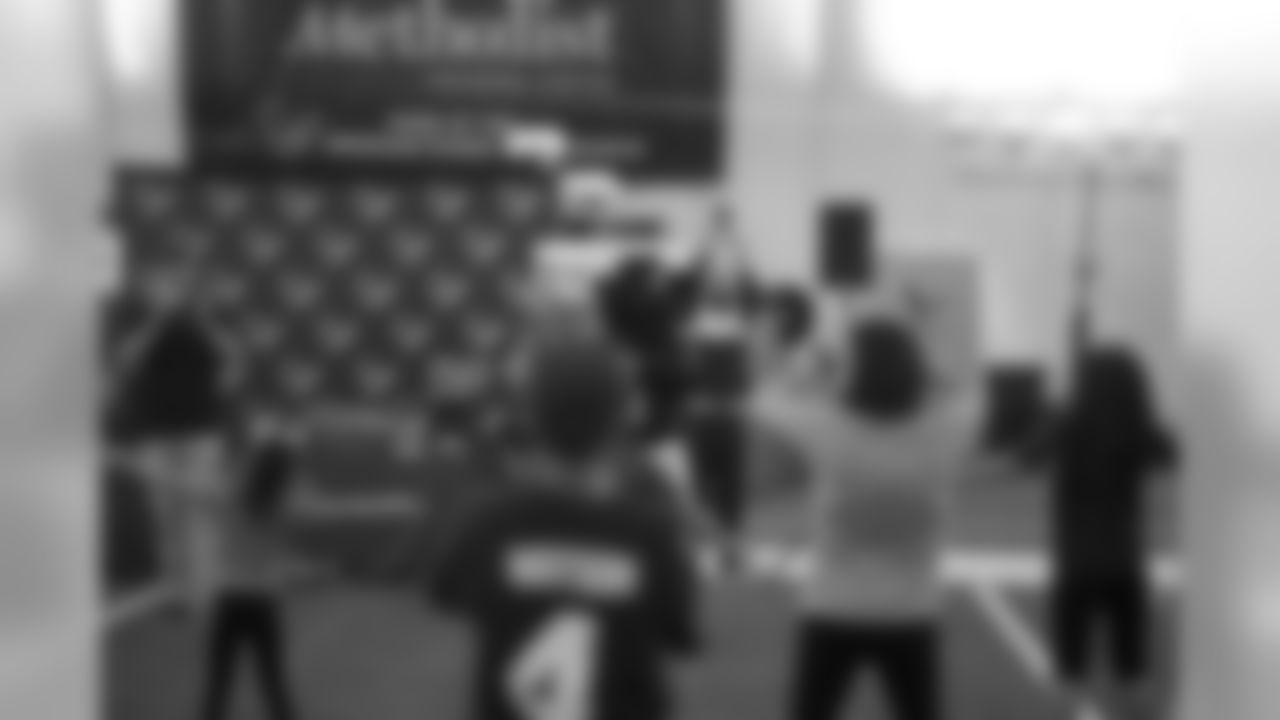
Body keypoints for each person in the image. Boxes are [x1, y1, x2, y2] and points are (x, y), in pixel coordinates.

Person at [428, 338, 700, 720]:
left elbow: (447, 592)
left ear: (532, 417)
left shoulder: (493, 525)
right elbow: (679, 632)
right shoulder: (648, 535)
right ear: (623, 417)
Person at [747, 316, 981, 720]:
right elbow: (967, 393)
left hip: (833, 607)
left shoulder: (828, 427)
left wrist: (810, 357)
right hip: (912, 612)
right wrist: (921, 357)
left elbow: (762, 399)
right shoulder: (946, 430)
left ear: (852, 372)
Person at [1044, 346, 1176, 719]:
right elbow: (1173, 454)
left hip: (1077, 566)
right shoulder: (1140, 430)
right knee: (1132, 674)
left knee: (1069, 675)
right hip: (1123, 565)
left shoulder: (1068, 425)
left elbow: (1023, 456)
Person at [109, 259, 238, 617]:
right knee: (163, 514)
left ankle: (205, 592)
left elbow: (230, 363)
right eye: (155, 287)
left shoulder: (206, 323)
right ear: (145, 293)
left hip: (201, 430)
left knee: (197, 512)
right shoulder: (135, 323)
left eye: (170, 286)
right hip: (154, 431)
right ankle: (175, 592)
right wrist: (157, 321)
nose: (163, 292)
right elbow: (127, 361)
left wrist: (200, 319)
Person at [198, 413, 327, 720]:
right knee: (272, 677)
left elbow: (192, 490)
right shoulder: (287, 505)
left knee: (220, 678)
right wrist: (389, 504)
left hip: (231, 600)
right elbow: (331, 508)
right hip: (263, 602)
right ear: (285, 475)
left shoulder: (230, 498)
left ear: (254, 467)